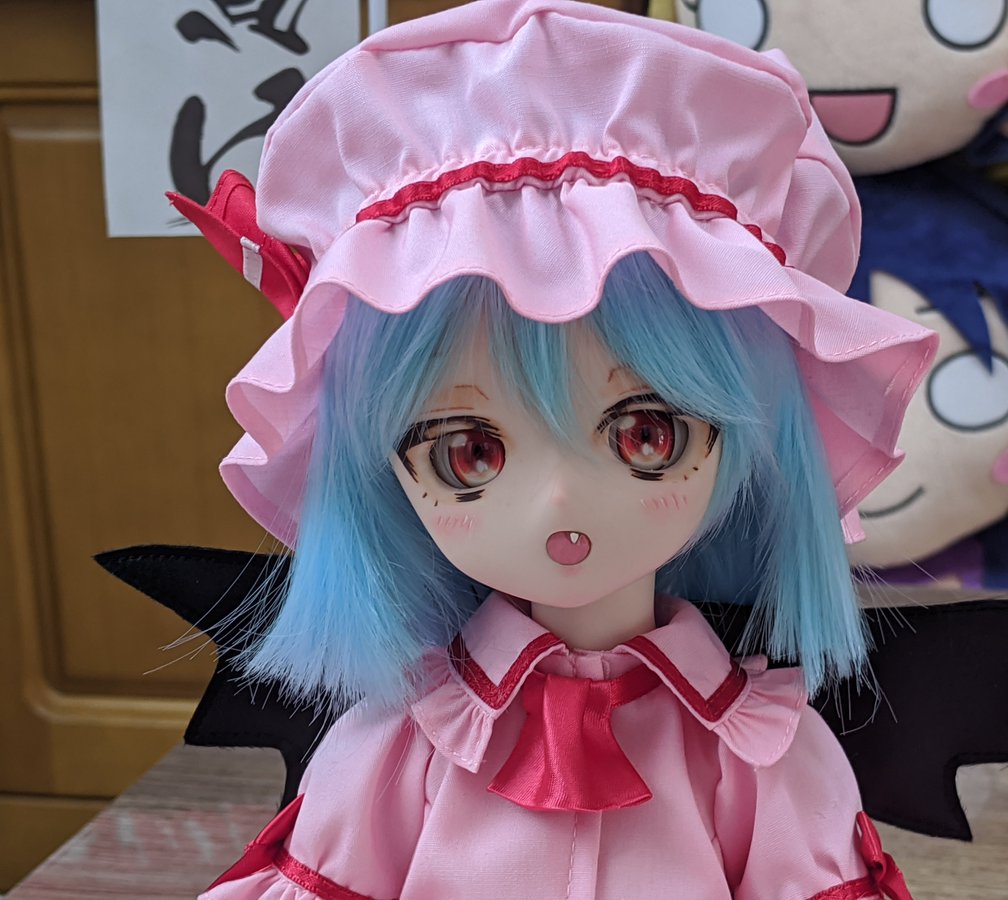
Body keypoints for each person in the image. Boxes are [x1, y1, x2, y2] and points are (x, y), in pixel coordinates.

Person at [181, 2, 934, 896]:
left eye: (647, 435)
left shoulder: (755, 752)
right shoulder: (402, 746)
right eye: (467, 454)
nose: (560, 501)